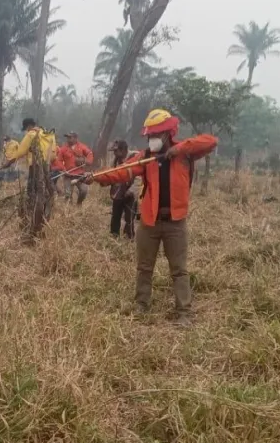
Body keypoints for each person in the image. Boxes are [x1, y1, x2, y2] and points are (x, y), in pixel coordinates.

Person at [84, 109, 217, 324]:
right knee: (144, 267)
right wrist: (97, 177)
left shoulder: (185, 154)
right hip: (149, 221)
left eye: (155, 135)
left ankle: (184, 312)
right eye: (149, 135)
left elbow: (210, 141)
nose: (151, 139)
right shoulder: (145, 157)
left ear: (167, 134)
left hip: (175, 223)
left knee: (179, 270)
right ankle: (141, 305)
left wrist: (179, 148)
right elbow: (123, 171)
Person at [1, 118, 56, 241]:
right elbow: (54, 155)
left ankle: (32, 220)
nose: (26, 130)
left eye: (26, 128)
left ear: (29, 126)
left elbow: (20, 152)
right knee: (45, 193)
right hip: (47, 167)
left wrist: (7, 163)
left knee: (33, 193)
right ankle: (44, 219)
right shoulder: (48, 134)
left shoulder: (31, 134)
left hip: (35, 168)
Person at [108, 140, 137, 239]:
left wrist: (131, 190)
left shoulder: (134, 157)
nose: (114, 153)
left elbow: (139, 177)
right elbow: (111, 174)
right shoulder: (115, 161)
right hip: (118, 192)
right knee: (115, 215)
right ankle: (114, 236)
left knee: (129, 217)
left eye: (116, 151)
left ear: (124, 150)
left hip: (131, 193)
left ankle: (129, 238)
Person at [57, 132, 95, 205]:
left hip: (80, 175)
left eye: (70, 137)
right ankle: (69, 208)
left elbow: (90, 154)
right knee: (68, 195)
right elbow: (59, 161)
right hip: (68, 175)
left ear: (76, 138)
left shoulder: (82, 147)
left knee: (84, 191)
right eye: (67, 137)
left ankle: (79, 204)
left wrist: (86, 161)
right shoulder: (63, 149)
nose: (68, 139)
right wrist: (64, 170)